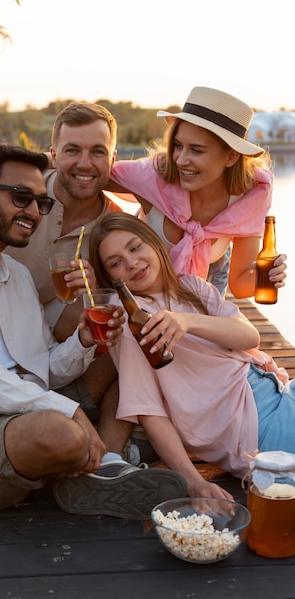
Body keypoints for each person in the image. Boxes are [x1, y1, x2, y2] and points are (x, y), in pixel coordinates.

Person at [0, 144, 187, 517]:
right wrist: (66, 409)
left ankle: (99, 466)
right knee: (59, 432)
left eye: (41, 203)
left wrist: (83, 341)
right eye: (21, 197)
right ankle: (85, 459)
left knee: (123, 353)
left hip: (25, 408)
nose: (32, 212)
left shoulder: (17, 276)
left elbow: (44, 368)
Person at [88, 212, 295, 500]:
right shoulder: (130, 322)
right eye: (115, 263)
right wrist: (194, 482)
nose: (131, 262)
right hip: (255, 428)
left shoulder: (192, 286)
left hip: (279, 390)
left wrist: (187, 322)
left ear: (154, 244)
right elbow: (149, 410)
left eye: (135, 247)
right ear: (110, 277)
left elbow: (250, 336)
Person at [106, 86, 287, 298]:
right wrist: (57, 160)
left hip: (208, 282)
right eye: (178, 146)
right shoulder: (152, 175)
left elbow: (239, 285)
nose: (180, 160)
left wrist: (267, 276)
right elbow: (89, 174)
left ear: (231, 157)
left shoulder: (253, 194)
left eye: (196, 150)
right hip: (142, 290)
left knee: (240, 331)